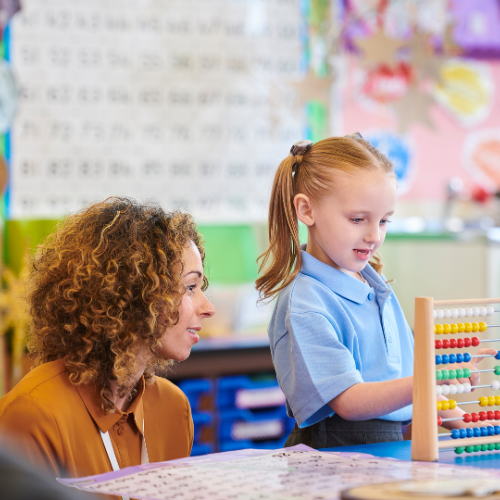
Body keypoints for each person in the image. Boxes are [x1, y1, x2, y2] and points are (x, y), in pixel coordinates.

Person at [256, 135, 496, 449]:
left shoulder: (375, 286)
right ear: (306, 210)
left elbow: (406, 387)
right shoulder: (306, 303)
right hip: (335, 453)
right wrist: (428, 379)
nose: (374, 235)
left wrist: (466, 422)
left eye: (384, 221)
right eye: (358, 219)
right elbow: (348, 401)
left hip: (389, 449)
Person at [0, 197, 215, 480]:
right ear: (134, 294)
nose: (208, 308)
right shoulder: (33, 413)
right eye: (190, 287)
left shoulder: (173, 408)